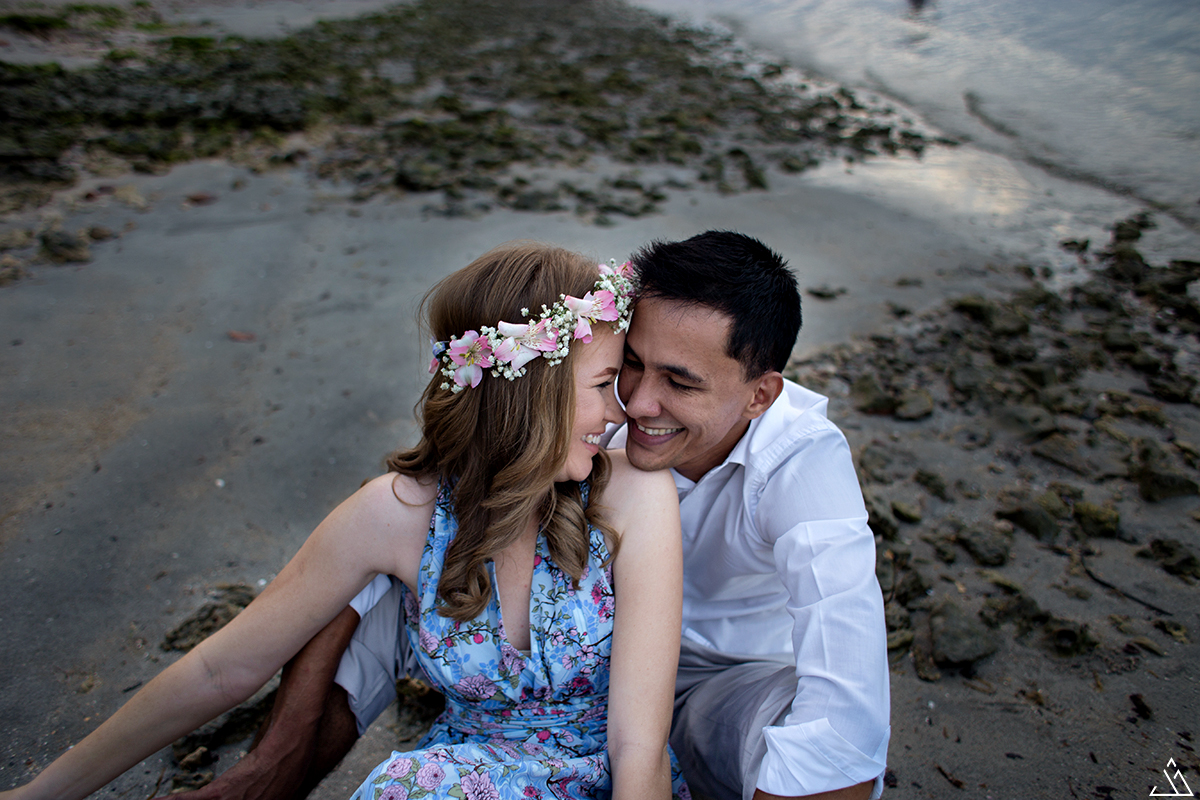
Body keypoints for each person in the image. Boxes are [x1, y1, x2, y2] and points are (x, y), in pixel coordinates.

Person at [164, 231, 889, 800]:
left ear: (760, 396)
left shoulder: (804, 469)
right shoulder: (594, 403)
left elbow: (846, 701)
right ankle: (271, 770)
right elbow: (425, 492)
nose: (636, 404)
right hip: (574, 641)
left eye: (679, 383)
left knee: (808, 725)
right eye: (631, 364)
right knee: (395, 545)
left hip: (718, 678)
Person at [0, 242, 689, 800]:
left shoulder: (630, 497)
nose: (623, 411)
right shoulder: (397, 514)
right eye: (604, 385)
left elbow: (637, 745)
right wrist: (43, 792)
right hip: (464, 781)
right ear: (530, 395)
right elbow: (219, 670)